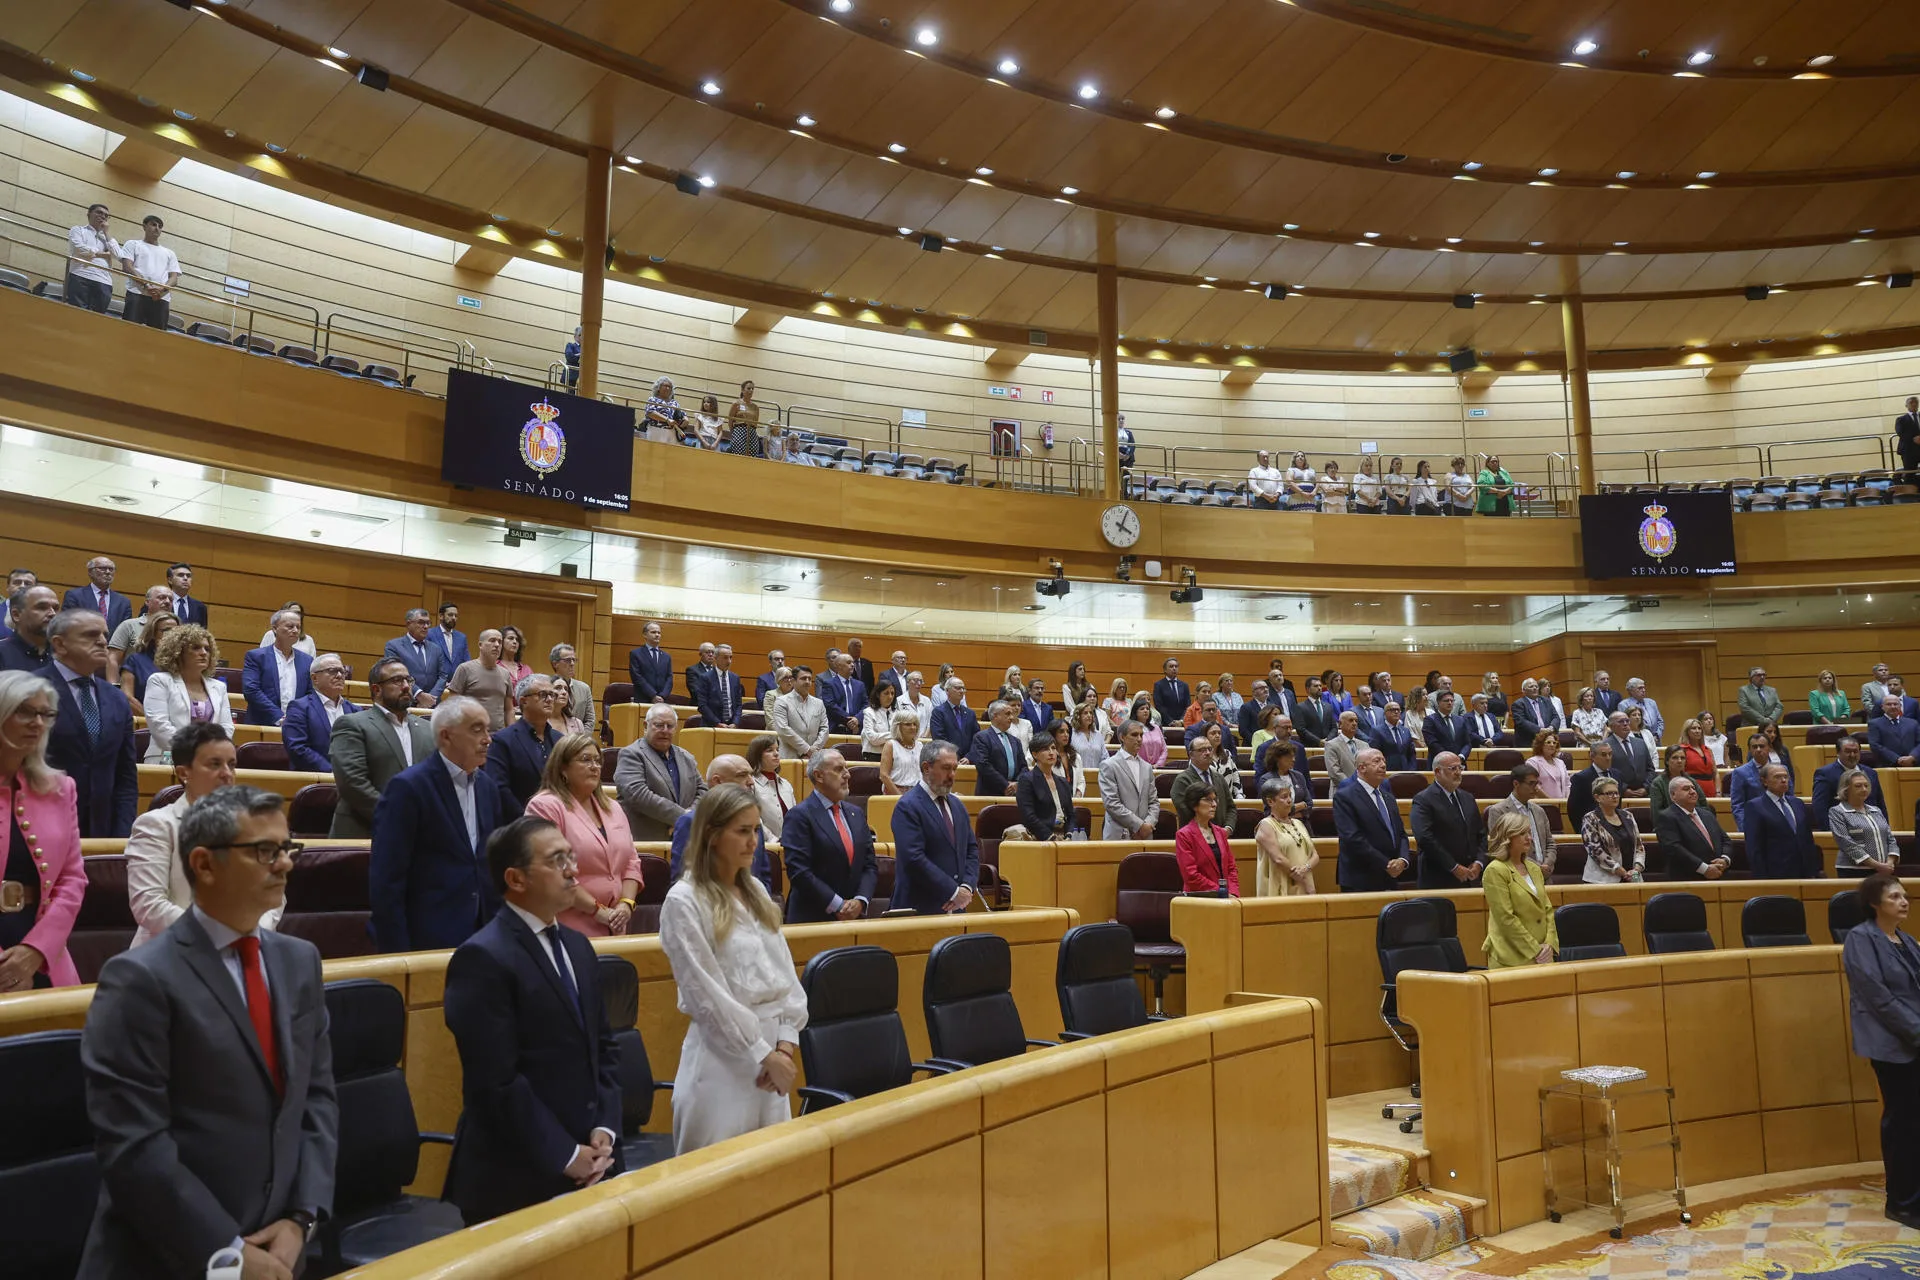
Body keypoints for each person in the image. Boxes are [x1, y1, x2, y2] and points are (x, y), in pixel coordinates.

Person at [77, 786, 335, 1279]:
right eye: (265, 851)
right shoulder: (139, 978)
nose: (285, 865)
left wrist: (302, 1219)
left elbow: (317, 1099)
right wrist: (228, 1253)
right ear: (205, 864)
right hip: (169, 1258)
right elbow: (135, 1146)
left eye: (287, 849)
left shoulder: (299, 962)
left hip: (278, 1250)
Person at [440, 816, 623, 1225]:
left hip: (592, 1160)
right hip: (514, 1174)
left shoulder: (578, 947)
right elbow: (496, 1081)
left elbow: (604, 1047)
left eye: (571, 857)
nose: (573, 869)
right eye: (558, 860)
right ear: (516, 879)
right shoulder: (482, 958)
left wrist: (605, 1129)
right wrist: (566, 1153)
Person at [369, 696, 509, 952]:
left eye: (488, 729)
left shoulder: (488, 788)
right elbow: (387, 879)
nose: (488, 739)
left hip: (486, 934)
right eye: (477, 729)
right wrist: (398, 954)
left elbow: (490, 864)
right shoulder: (408, 788)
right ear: (446, 736)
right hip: (427, 937)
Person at [0, 671, 88, 991]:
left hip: (43, 955)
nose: (37, 722)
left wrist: (36, 950)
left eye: (45, 714)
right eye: (24, 711)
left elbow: (72, 879)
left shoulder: (61, 789)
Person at [1842, 871, 1920, 1228]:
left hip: (1914, 1040)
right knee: (1902, 1122)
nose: (1903, 902)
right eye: (1895, 897)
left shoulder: (1907, 941)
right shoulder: (1861, 939)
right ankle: (1901, 1202)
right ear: (1875, 903)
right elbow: (1879, 999)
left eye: (1904, 896)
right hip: (1893, 1046)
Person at [524, 732, 638, 936]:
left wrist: (626, 904)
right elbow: (553, 869)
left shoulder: (613, 807)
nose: (595, 766)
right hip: (565, 925)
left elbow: (631, 861)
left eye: (597, 760)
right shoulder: (545, 806)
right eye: (585, 760)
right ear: (563, 768)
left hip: (616, 924)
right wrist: (598, 911)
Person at [39, 609, 137, 838]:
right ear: (60, 644)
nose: (103, 641)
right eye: (91, 635)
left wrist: (122, 834)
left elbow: (125, 776)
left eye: (104, 634)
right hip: (40, 830)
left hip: (103, 830)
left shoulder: (117, 699)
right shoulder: (30, 690)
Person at [329, 657, 436, 837]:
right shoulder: (352, 724)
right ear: (376, 689)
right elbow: (352, 783)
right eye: (396, 680)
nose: (406, 686)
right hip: (364, 832)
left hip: (417, 837)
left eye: (408, 680)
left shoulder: (427, 728)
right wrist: (399, 815)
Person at [774, 750, 875, 924]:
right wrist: (837, 905)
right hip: (812, 918)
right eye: (838, 769)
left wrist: (860, 900)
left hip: (855, 918)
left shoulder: (856, 813)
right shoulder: (799, 816)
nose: (847, 774)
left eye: (846, 768)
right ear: (819, 776)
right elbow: (799, 872)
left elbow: (870, 864)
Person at [891, 740, 979, 914]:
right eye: (946, 768)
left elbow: (971, 850)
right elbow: (913, 858)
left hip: (957, 906)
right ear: (926, 768)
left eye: (955, 768)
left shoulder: (957, 805)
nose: (952, 775)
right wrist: (953, 891)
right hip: (920, 907)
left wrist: (967, 887)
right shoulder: (908, 806)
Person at [615, 704, 707, 841]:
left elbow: (703, 791)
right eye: (659, 725)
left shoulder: (686, 757)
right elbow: (637, 794)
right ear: (645, 726)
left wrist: (689, 818)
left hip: (684, 841)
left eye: (670, 726)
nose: (665, 731)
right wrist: (682, 817)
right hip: (645, 843)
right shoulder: (631, 754)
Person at [1482, 810, 1557, 967]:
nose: (1529, 838)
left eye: (1529, 832)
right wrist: (1535, 949)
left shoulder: (1534, 868)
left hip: (1543, 954)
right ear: (1508, 837)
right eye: (1522, 833)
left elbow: (1547, 909)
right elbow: (1505, 918)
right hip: (1511, 956)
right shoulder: (1495, 870)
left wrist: (1549, 944)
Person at [1332, 749, 1411, 892]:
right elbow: (1352, 838)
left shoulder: (1388, 797)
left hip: (1391, 875)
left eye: (1384, 761)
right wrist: (1385, 863)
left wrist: (1403, 860)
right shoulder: (1345, 797)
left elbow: (1401, 834)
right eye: (1377, 761)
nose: (1383, 765)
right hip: (1360, 876)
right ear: (1362, 768)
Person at [483, 673, 561, 808]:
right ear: (524, 701)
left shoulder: (560, 740)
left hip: (557, 821)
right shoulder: (502, 741)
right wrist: (527, 820)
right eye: (543, 694)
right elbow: (498, 788)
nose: (549, 699)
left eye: (552, 695)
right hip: (518, 823)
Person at [1412, 753, 1486, 888]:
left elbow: (1480, 834)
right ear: (1437, 772)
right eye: (1453, 769)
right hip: (1439, 878)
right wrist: (1453, 867)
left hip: (1471, 876)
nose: (1458, 773)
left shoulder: (1467, 798)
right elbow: (1425, 838)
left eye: (1460, 768)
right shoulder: (1423, 799)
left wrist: (1479, 863)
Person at [281, 653, 356, 773]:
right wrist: (332, 772)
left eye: (342, 671)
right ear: (315, 678)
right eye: (332, 671)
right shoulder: (299, 708)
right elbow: (297, 748)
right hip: (316, 780)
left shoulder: (354, 710)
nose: (339, 675)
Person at [241, 607, 314, 727]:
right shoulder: (256, 656)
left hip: (297, 726)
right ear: (275, 628)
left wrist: (295, 717)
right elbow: (251, 690)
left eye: (298, 627)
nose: (295, 630)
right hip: (262, 725)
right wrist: (278, 717)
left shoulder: (307, 661)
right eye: (290, 626)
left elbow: (310, 694)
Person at [1744, 762, 1817, 880]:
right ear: (1764, 781)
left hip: (1804, 871)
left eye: (1785, 776)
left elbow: (1808, 839)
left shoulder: (1797, 803)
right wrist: (1762, 878)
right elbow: (1754, 847)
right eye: (1777, 777)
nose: (1783, 780)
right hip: (1775, 873)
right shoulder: (1755, 806)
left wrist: (1813, 871)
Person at [1654, 777, 1733, 881]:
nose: (1692, 792)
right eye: (1686, 789)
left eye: (1693, 788)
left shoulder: (1707, 814)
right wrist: (1705, 869)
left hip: (1719, 874)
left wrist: (1724, 859)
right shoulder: (1666, 817)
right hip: (1688, 878)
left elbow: (1726, 840)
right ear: (1673, 796)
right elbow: (1674, 848)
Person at [1830, 768, 1901, 876]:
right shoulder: (1837, 811)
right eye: (1858, 786)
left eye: (1866, 785)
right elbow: (1847, 844)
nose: (1864, 789)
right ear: (1846, 789)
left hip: (1884, 869)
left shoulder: (1876, 810)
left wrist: (1889, 863)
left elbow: (1890, 838)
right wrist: (1877, 865)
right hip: (1854, 871)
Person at [1253, 777, 1316, 897]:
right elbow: (1278, 859)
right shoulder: (1266, 825)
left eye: (1290, 796)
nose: (1289, 800)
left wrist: (1305, 869)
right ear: (1270, 802)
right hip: (1280, 884)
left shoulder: (1299, 823)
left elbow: (1315, 855)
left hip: (1304, 881)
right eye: (1284, 797)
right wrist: (1304, 882)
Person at [118, 214, 180, 329]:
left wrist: (161, 289)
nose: (157, 228)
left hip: (161, 298)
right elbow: (127, 267)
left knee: (156, 337)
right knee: (129, 331)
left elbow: (174, 278)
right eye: (153, 224)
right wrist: (146, 285)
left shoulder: (170, 253)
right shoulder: (133, 244)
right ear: (144, 226)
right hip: (137, 294)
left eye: (160, 226)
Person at [1100, 720, 1158, 841]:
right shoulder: (1109, 765)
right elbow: (1112, 803)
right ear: (1122, 737)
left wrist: (1148, 825)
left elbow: (1154, 802)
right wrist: (1139, 826)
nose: (1139, 739)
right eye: (1134, 735)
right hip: (1119, 834)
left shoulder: (1147, 767)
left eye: (1141, 735)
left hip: (1145, 835)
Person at [105, 583, 176, 683]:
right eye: (162, 598)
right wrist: (113, 688)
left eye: (171, 599)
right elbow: (113, 659)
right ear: (147, 601)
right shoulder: (129, 625)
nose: (167, 602)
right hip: (131, 684)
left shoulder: (177, 629)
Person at [1174, 789, 1239, 896]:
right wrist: (1221, 893)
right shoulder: (1184, 835)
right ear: (1194, 805)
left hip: (1227, 899)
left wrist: (1233, 893)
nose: (1214, 804)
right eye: (1208, 800)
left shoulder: (1220, 832)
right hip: (1199, 899)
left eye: (1215, 800)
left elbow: (1231, 868)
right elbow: (1191, 876)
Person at [385, 607, 454, 707]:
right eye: (421, 622)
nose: (426, 626)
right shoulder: (394, 646)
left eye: (428, 623)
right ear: (409, 624)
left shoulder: (436, 649)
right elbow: (395, 674)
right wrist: (419, 695)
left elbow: (443, 676)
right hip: (404, 702)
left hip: (432, 705)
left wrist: (431, 698)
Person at [446, 629, 513, 731]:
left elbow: (508, 710)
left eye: (500, 642)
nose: (497, 645)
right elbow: (452, 706)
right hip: (470, 735)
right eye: (492, 640)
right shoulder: (465, 669)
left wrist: (512, 735)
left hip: (497, 737)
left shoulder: (505, 674)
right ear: (480, 645)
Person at [1580, 778, 1643, 883]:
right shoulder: (1590, 818)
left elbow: (1639, 846)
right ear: (1597, 797)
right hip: (1602, 880)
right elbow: (1595, 851)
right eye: (1609, 793)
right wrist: (1621, 871)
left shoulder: (1628, 816)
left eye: (1616, 793)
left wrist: (1636, 869)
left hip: (1632, 877)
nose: (1614, 796)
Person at [1814, 736, 1883, 831]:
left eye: (1855, 751)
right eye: (1847, 751)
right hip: (1843, 831)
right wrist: (1831, 833)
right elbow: (1820, 808)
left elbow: (1880, 803)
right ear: (1838, 753)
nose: (1852, 755)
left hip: (1873, 829)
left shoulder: (1871, 773)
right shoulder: (1825, 774)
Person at [117, 609, 177, 716]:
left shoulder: (184, 663)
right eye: (167, 631)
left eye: (177, 631)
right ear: (153, 633)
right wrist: (153, 720)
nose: (173, 636)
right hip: (144, 723)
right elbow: (127, 697)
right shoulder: (135, 661)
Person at [65, 201, 119, 312]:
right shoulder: (78, 230)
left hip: (104, 281)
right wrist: (103, 254)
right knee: (76, 313)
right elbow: (78, 248)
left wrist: (106, 233)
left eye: (106, 216)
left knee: (97, 318)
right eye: (99, 213)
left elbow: (117, 255)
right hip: (80, 275)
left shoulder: (107, 238)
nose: (103, 217)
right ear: (89, 214)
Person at [1017, 738, 1075, 840]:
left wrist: (1069, 834)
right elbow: (1028, 815)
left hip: (1064, 837)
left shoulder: (1062, 781)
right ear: (1035, 754)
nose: (1051, 753)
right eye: (1045, 749)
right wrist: (1049, 837)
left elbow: (1071, 814)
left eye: (1053, 748)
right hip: (1039, 837)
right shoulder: (1027, 780)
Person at [968, 700, 1028, 797]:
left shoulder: (1015, 741)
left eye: (1012, 714)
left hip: (1014, 793)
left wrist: (1017, 784)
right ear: (995, 716)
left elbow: (1024, 767)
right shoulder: (981, 737)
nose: (1012, 717)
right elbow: (983, 766)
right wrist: (1006, 785)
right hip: (990, 792)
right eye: (1007, 714)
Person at [769, 664, 830, 760]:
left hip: (813, 757)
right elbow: (783, 729)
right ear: (793, 681)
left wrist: (814, 749)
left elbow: (824, 729)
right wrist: (807, 750)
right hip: (790, 756)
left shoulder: (819, 703)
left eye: (809, 679)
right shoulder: (781, 701)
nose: (807, 682)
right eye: (803, 678)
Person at [1169, 735, 1233, 826]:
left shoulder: (1219, 778)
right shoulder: (1182, 780)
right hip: (1194, 835)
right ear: (1191, 755)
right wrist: (1211, 830)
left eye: (1209, 749)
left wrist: (1228, 828)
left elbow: (1231, 807)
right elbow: (1185, 812)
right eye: (1201, 750)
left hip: (1222, 835)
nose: (1207, 753)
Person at [64, 556, 132, 632]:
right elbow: (68, 625)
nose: (108, 572)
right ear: (90, 572)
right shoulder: (75, 596)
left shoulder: (123, 602)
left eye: (111, 569)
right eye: (102, 568)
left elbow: (125, 632)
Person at [746, 734, 799, 832]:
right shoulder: (750, 784)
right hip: (766, 843)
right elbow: (754, 819)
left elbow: (795, 816)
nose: (776, 754)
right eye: (770, 750)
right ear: (757, 755)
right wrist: (773, 841)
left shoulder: (786, 784)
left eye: (777, 750)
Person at [0, 584, 58, 672]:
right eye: (42, 607)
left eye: (56, 608)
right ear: (16, 615)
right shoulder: (2, 653)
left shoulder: (66, 654)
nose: (52, 613)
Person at [1726, 732, 1776, 830]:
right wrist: (1745, 828)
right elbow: (1737, 805)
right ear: (1749, 749)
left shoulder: (1781, 770)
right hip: (1753, 824)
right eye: (1754, 747)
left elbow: (1789, 796)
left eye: (1761, 746)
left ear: (1769, 748)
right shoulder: (1740, 773)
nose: (1758, 750)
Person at [550, 643, 597, 739]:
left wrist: (577, 741)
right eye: (567, 660)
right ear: (555, 664)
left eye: (574, 660)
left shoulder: (584, 688)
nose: (572, 664)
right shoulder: (546, 686)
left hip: (578, 741)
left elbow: (590, 720)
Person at [1567, 739, 1617, 830]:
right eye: (1603, 754)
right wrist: (1581, 831)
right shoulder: (1581, 778)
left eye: (1610, 754)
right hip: (1591, 828)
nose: (1608, 758)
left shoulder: (1618, 775)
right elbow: (1573, 810)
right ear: (1592, 756)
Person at [818, 650, 866, 737]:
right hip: (837, 727)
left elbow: (866, 704)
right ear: (839, 666)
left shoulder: (860, 684)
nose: (852, 665)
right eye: (848, 662)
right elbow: (830, 705)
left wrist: (857, 719)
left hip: (857, 728)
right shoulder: (829, 684)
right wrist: (849, 721)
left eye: (853, 662)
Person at [1603, 711, 1652, 796]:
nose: (1625, 724)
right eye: (1621, 721)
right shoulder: (1605, 745)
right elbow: (1605, 771)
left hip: (1644, 793)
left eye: (1627, 721)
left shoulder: (1640, 743)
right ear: (1611, 726)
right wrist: (1623, 789)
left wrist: (1646, 787)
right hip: (1618, 795)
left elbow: (1650, 769)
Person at [627, 619, 673, 703]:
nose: (657, 635)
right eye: (653, 632)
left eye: (659, 633)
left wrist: (662, 696)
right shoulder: (636, 654)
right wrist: (653, 695)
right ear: (645, 635)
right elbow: (637, 677)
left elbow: (669, 679)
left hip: (662, 701)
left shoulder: (666, 656)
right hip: (643, 699)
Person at [1647, 745, 1691, 826]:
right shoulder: (1658, 783)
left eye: (1682, 758)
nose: (1679, 761)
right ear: (1667, 761)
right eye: (1675, 758)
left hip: (1691, 824)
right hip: (1669, 827)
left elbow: (1703, 805)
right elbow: (1657, 814)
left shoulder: (1690, 781)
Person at [1872, 694, 1920, 767]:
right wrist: (1897, 759)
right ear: (1882, 707)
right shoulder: (1874, 723)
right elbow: (1875, 745)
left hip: (1913, 764)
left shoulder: (1913, 723)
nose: (1893, 707)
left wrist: (1913, 757)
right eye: (1889, 704)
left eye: (1895, 704)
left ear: (1900, 706)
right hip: (1888, 765)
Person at [1368, 700, 1417, 771]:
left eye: (1398, 710)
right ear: (1385, 713)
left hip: (1406, 773)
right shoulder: (1377, 731)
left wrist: (1412, 770)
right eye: (1392, 710)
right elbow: (1374, 754)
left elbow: (1412, 754)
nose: (1396, 712)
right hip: (1386, 772)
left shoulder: (1406, 731)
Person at [1423, 690, 1470, 763]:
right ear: (1438, 702)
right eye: (1446, 701)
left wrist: (1461, 755)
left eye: (1452, 700)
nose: (1450, 703)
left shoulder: (1460, 720)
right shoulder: (1430, 720)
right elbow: (1432, 743)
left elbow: (1467, 743)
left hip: (1459, 763)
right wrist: (1449, 758)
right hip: (1439, 763)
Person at [1677, 718, 1719, 798]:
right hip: (1691, 791)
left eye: (1699, 728)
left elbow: (1715, 773)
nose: (1697, 731)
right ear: (1687, 731)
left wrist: (1718, 792)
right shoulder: (1681, 750)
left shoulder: (1708, 750)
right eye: (1694, 728)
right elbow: (1678, 774)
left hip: (1711, 790)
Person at [930, 676, 978, 746]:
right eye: (958, 688)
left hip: (968, 756)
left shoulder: (970, 713)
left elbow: (976, 737)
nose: (961, 691)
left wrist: (969, 756)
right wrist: (953, 755)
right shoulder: (938, 712)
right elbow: (939, 739)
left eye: (963, 688)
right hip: (947, 755)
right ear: (947, 691)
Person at [858, 680, 900, 760]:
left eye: (892, 693)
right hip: (873, 756)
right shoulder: (869, 712)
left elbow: (902, 738)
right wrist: (894, 735)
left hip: (893, 755)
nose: (890, 696)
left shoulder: (898, 714)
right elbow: (873, 738)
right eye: (886, 693)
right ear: (878, 694)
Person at [1323, 710, 1365, 786]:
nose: (1354, 723)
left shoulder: (1365, 745)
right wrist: (1355, 786)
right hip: (1342, 791)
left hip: (1363, 791)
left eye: (1356, 721)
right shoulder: (1331, 745)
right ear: (1340, 724)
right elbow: (1334, 772)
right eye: (1351, 720)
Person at [724, 379, 763, 457]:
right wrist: (734, 434)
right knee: (739, 455)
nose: (751, 390)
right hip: (739, 431)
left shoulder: (756, 407)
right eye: (748, 388)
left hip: (752, 433)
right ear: (742, 390)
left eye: (752, 389)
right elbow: (730, 420)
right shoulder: (736, 403)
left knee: (752, 456)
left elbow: (755, 423)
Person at [1068, 700, 1110, 771]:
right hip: (1077, 775)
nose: (1089, 715)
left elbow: (1105, 757)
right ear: (1078, 716)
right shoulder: (1071, 734)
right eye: (1085, 713)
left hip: (1097, 775)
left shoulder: (1098, 735)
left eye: (1091, 713)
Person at [642, 376, 685, 444]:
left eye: (670, 387)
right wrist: (667, 420)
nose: (668, 388)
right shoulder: (653, 399)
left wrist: (685, 420)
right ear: (658, 387)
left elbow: (682, 415)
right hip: (656, 430)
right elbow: (650, 412)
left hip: (671, 433)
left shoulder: (674, 403)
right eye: (665, 386)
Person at [430, 602, 471, 670]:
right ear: (441, 616)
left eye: (456, 615)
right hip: (436, 679)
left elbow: (467, 661)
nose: (454, 618)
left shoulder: (461, 637)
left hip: (456, 679)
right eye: (450, 615)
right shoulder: (430, 634)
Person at [1152, 657, 1190, 729]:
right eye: (1171, 666)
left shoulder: (1184, 685)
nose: (1174, 668)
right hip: (1166, 724)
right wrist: (1170, 721)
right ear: (1165, 670)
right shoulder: (1159, 685)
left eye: (1176, 666)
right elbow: (1159, 705)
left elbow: (1187, 705)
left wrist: (1181, 720)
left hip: (1182, 724)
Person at [1898, 396, 1920, 480]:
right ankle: (1910, 492)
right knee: (1910, 474)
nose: (1914, 404)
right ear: (1906, 405)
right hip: (1909, 450)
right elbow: (1900, 433)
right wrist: (1913, 439)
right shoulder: (1901, 419)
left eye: (1916, 402)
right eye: (1911, 402)